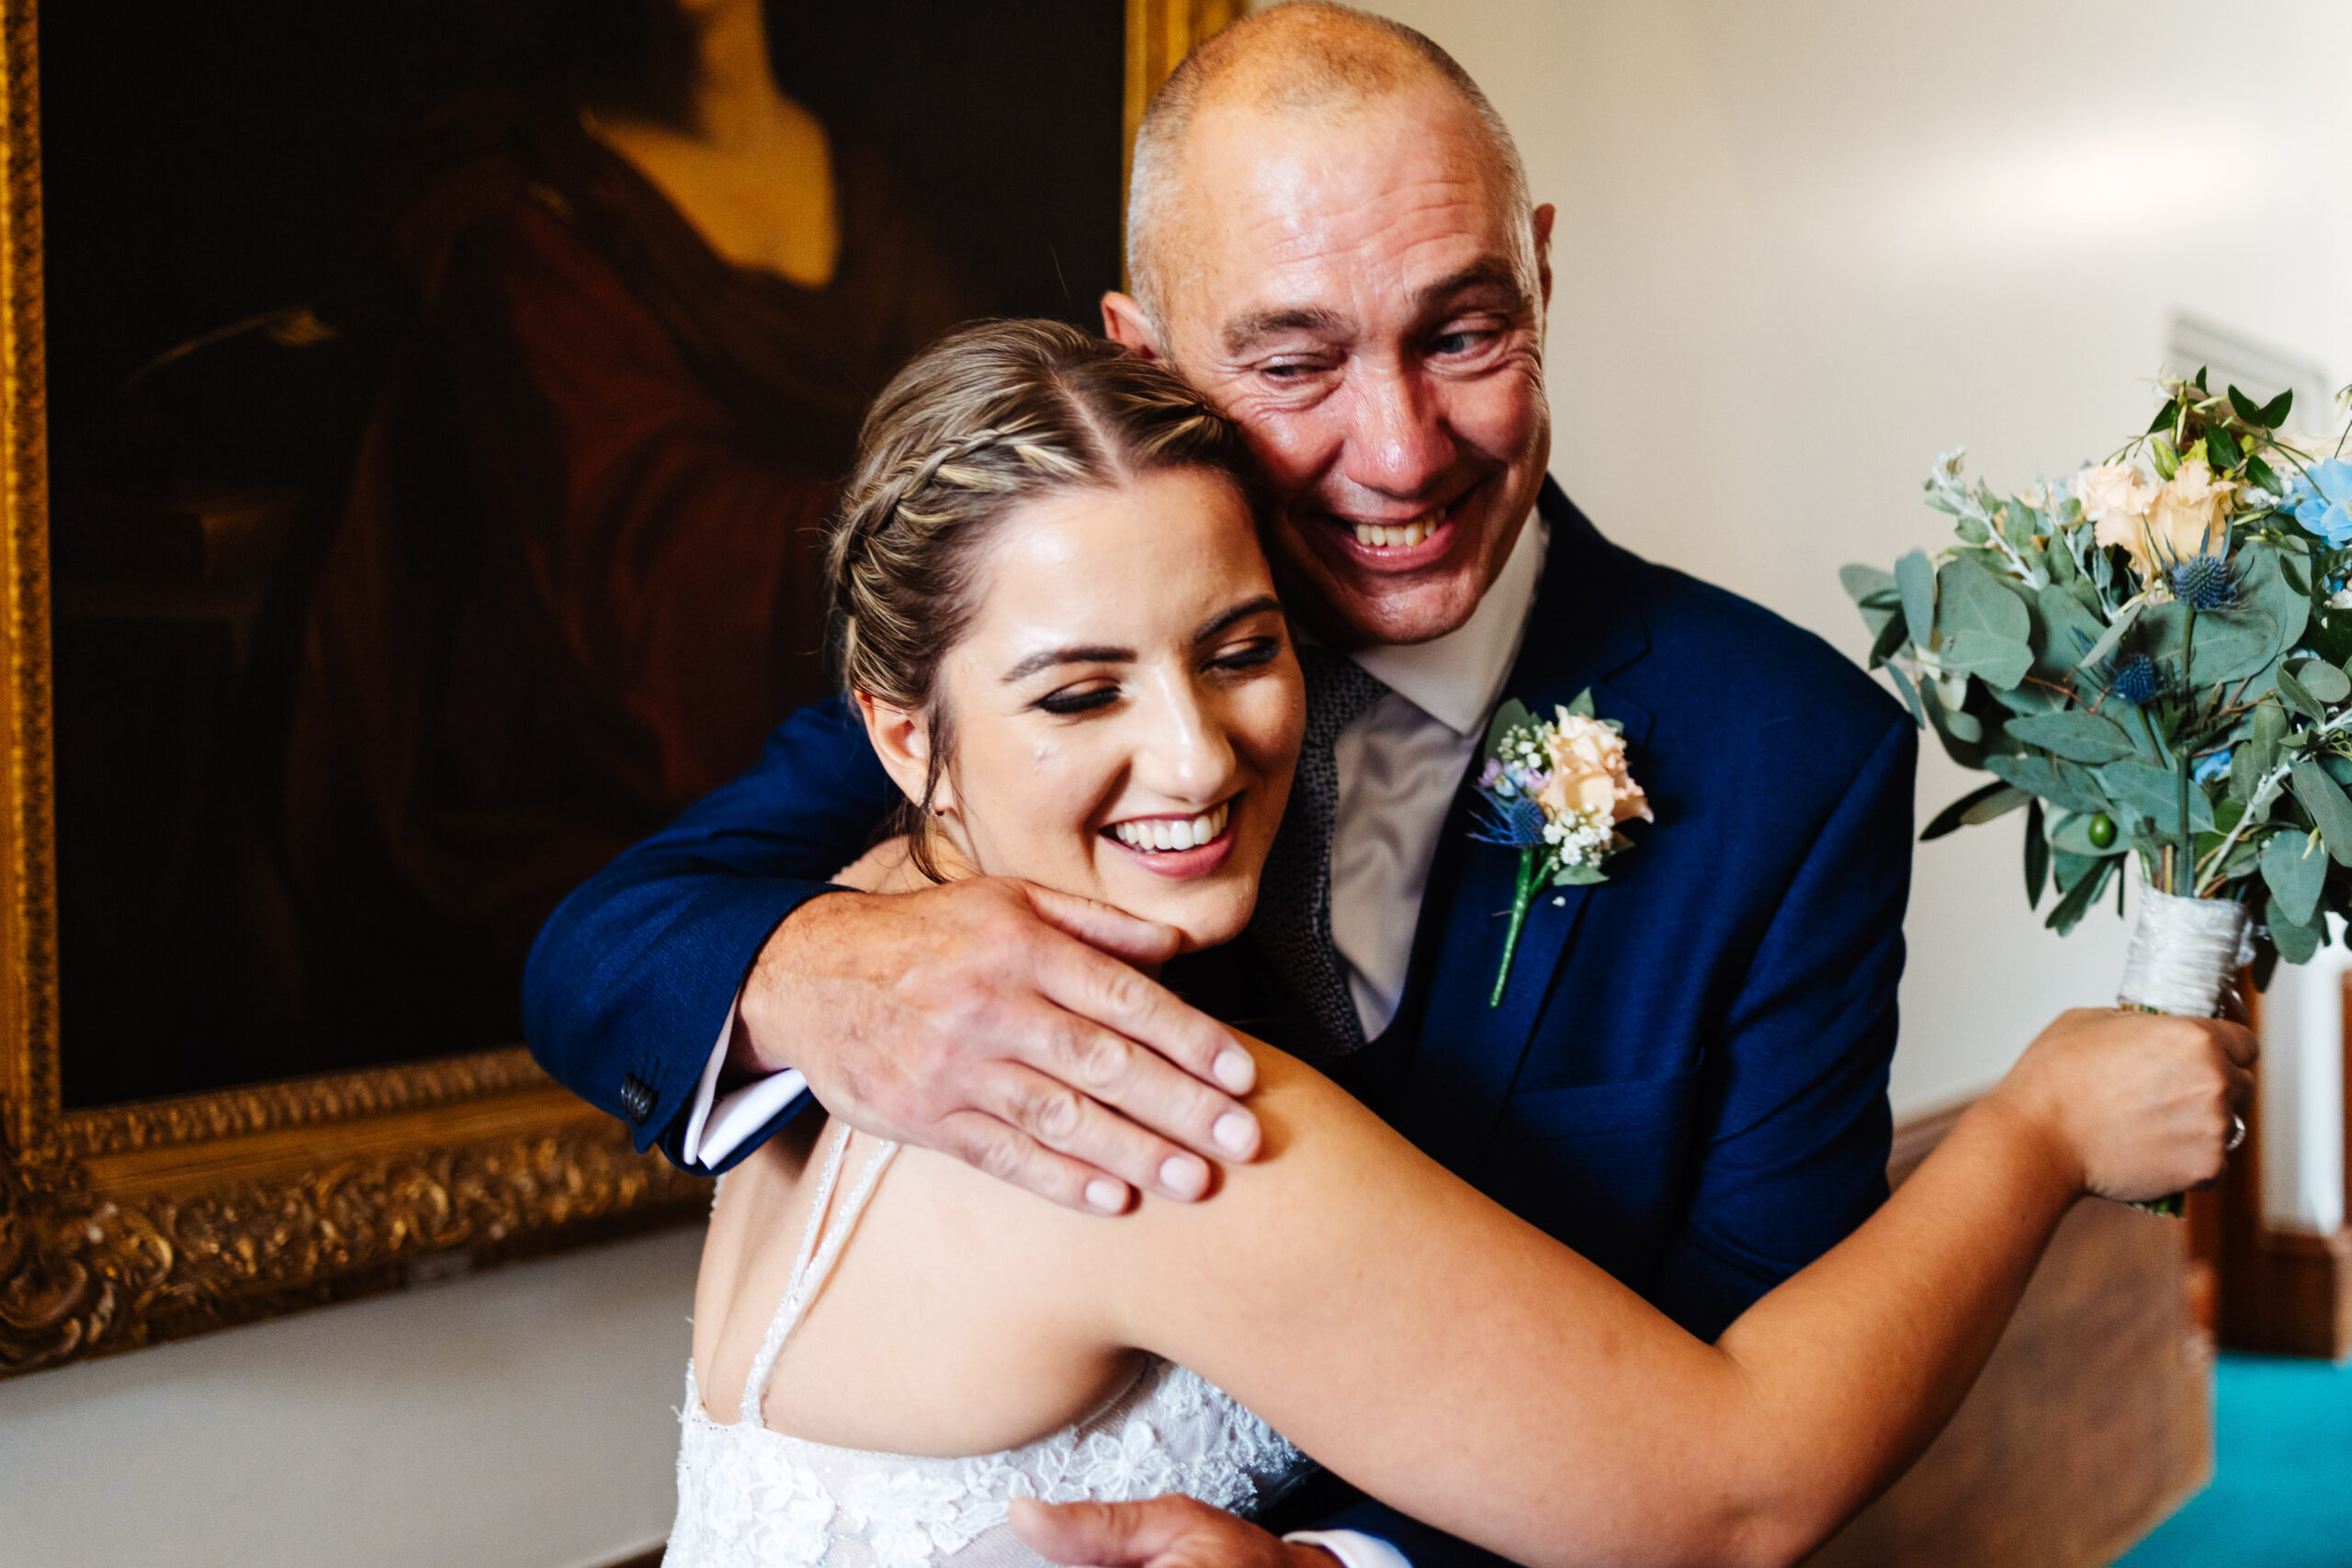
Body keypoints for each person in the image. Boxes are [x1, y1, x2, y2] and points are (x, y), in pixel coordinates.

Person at [534, 6, 1911, 1560]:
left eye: (1461, 332)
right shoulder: (1005, 694)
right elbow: (608, 939)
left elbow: (1745, 1376)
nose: (1399, 448)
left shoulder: (1792, 754)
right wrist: (807, 972)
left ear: (1539, 271)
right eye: (1294, 359)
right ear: (1150, 358)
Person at [658, 318, 2251, 1568]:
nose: (1199, 756)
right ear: (895, 726)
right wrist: (2039, 1130)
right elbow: (1742, 1488)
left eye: (1238, 649)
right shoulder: (1132, 1108)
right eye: (1079, 692)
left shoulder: (841, 940)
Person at [277, 0, 969, 1057]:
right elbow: (632, 545)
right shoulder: (525, 200)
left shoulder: (866, 189)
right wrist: (959, 532)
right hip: (590, 754)